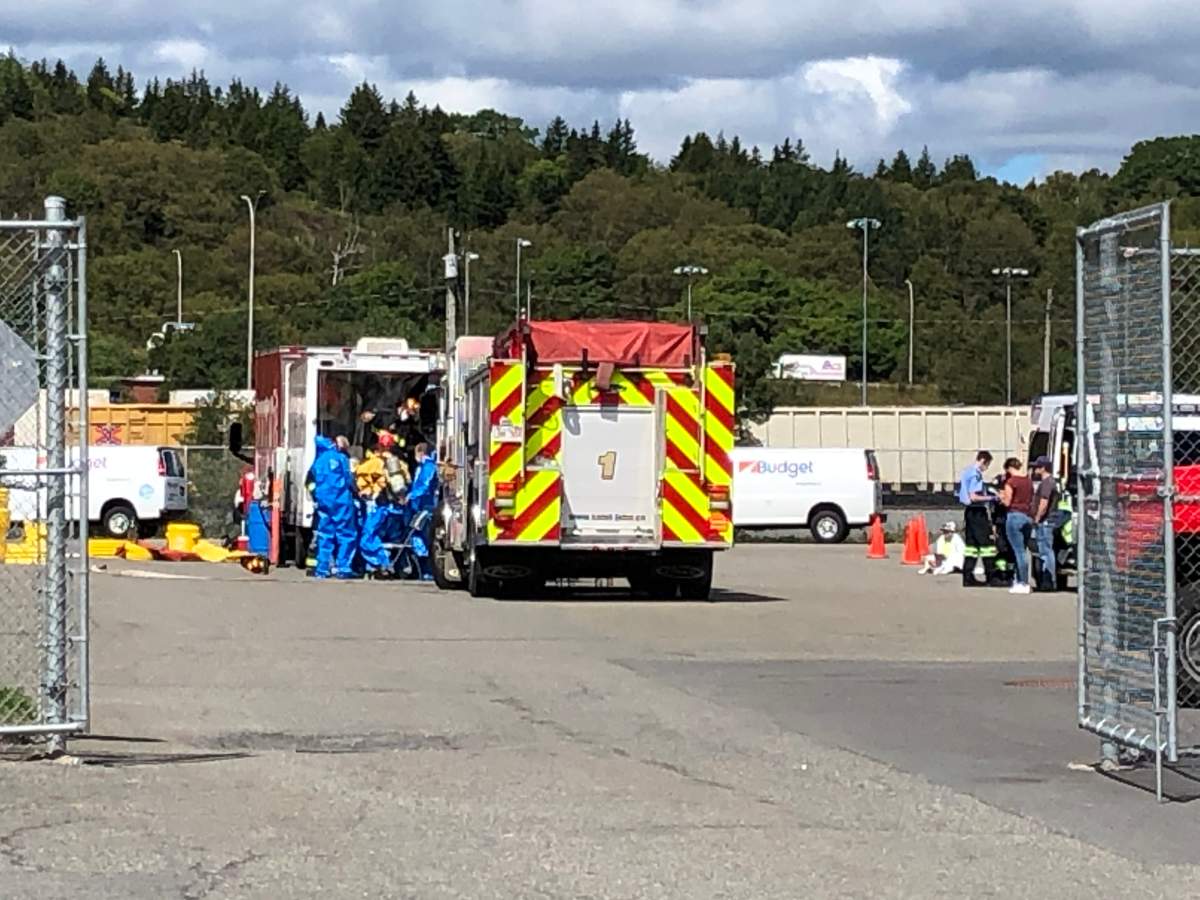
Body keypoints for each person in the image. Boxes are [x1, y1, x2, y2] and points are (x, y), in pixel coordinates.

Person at [309, 434, 359, 580]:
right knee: (346, 534)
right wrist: (357, 492)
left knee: (325, 534)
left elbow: (312, 478)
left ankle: (322, 568)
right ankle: (343, 567)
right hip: (341, 501)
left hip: (324, 502)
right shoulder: (341, 459)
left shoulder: (319, 459)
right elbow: (349, 479)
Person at [957, 450, 1000, 587]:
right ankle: (991, 576)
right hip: (977, 511)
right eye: (987, 465)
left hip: (969, 512)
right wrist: (993, 498)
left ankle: (968, 576)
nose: (986, 468)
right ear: (982, 461)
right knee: (986, 544)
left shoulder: (966, 472)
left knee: (972, 546)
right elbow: (974, 496)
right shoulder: (976, 475)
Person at [401, 441, 438, 581]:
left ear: (421, 452)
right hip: (419, 507)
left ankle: (427, 571)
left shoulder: (428, 467)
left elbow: (424, 486)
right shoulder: (422, 467)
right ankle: (423, 571)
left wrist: (411, 496)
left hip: (426, 508)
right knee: (417, 536)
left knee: (421, 536)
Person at [1000, 457, 1035, 595]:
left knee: (1018, 551)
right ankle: (1021, 579)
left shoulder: (1011, 481)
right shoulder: (1028, 481)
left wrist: (1000, 496)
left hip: (1014, 515)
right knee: (1023, 551)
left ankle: (1023, 582)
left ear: (1009, 468)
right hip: (1027, 516)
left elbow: (1008, 502)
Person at [1032, 456, 1064, 591]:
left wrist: (1037, 517)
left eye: (1037, 467)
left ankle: (1049, 580)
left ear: (1043, 468)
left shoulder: (1046, 483)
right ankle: (1048, 580)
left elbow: (1044, 503)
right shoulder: (1051, 482)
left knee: (1045, 551)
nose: (1034, 469)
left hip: (1046, 521)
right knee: (1045, 550)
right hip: (1048, 520)